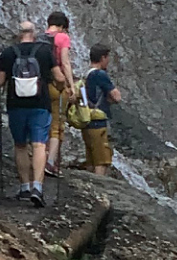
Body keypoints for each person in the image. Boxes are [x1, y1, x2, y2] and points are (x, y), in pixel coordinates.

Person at [0, 22, 62, 207]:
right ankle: (38, 188)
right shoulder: (45, 51)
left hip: (16, 105)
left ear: (18, 34)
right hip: (40, 104)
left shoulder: (8, 52)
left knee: (20, 145)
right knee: (39, 146)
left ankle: (24, 187)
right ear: (35, 33)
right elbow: (59, 77)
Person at [79, 44, 122, 176]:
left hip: (87, 120)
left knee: (91, 159)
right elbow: (117, 96)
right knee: (101, 161)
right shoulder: (100, 74)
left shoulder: (86, 75)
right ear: (103, 57)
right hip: (98, 121)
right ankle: (99, 191)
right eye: (107, 57)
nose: (108, 61)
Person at [44, 12, 76, 180]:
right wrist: (71, 85)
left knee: (44, 123)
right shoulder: (62, 37)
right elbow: (65, 62)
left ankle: (40, 156)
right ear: (63, 26)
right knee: (57, 126)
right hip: (57, 86)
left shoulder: (40, 38)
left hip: (41, 86)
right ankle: (50, 162)